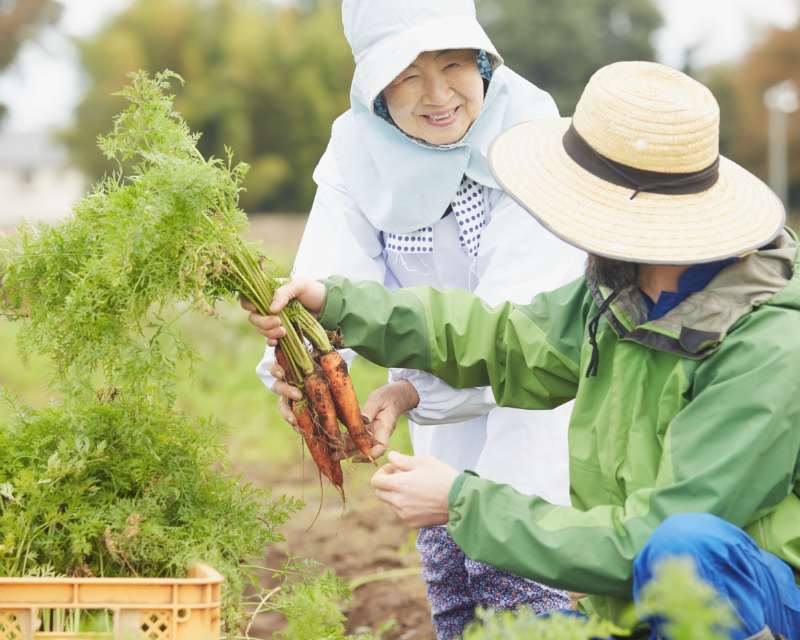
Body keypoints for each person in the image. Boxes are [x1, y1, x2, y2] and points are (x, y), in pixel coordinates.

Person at [245, 61, 800, 640]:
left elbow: (658, 538)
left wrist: (462, 502)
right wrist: (336, 304)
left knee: (691, 546)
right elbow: (502, 337)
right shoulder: (624, 296)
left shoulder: (765, 346)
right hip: (635, 605)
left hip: (744, 606)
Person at [251, 0, 585, 635]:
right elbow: (330, 284)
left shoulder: (536, 142)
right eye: (406, 75)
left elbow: (520, 334)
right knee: (456, 582)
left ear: (486, 60)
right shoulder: (358, 149)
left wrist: (407, 391)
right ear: (375, 89)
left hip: (548, 405)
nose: (437, 96)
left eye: (455, 64)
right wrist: (301, 378)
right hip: (442, 417)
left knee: (530, 579)